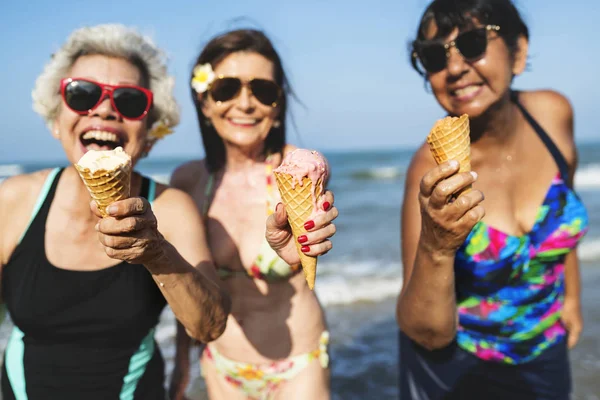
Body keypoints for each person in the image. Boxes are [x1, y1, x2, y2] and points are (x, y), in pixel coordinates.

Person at [0, 23, 293, 400]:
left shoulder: (171, 208)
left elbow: (210, 324)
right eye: (82, 94)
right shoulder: (15, 200)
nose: (104, 109)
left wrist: (157, 252)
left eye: (130, 101)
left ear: (151, 131)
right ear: (57, 118)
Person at [396, 1, 589, 399]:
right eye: (433, 56)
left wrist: (572, 298)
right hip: (458, 368)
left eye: (472, 43)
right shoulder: (430, 171)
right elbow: (424, 330)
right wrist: (436, 244)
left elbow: (564, 214)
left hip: (545, 353)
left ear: (518, 51)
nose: (454, 68)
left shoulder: (554, 114)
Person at [169, 29, 338, 400]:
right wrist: (181, 361)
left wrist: (311, 241)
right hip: (221, 364)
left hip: (298, 367)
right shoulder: (187, 180)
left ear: (278, 104)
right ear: (204, 101)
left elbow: (315, 241)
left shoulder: (299, 170)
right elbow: (186, 282)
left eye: (262, 91)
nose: (245, 104)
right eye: (226, 89)